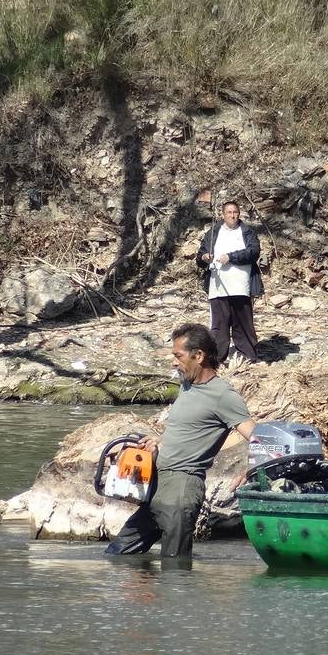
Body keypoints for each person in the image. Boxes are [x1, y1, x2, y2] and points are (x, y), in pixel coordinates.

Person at [105, 323, 256, 558]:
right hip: (156, 487)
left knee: (175, 571)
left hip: (181, 489)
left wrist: (252, 468)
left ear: (199, 356)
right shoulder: (187, 385)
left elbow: (257, 437)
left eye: (178, 356)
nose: (174, 362)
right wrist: (159, 439)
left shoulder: (223, 396)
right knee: (116, 556)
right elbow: (189, 427)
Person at [196, 200, 264, 364]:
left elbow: (253, 252)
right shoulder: (213, 233)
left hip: (241, 284)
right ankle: (218, 357)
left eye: (235, 212)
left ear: (239, 214)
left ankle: (248, 355)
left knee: (243, 321)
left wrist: (231, 257)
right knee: (219, 323)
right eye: (229, 212)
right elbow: (200, 256)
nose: (233, 215)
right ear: (223, 215)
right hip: (218, 285)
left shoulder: (247, 231)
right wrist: (204, 257)